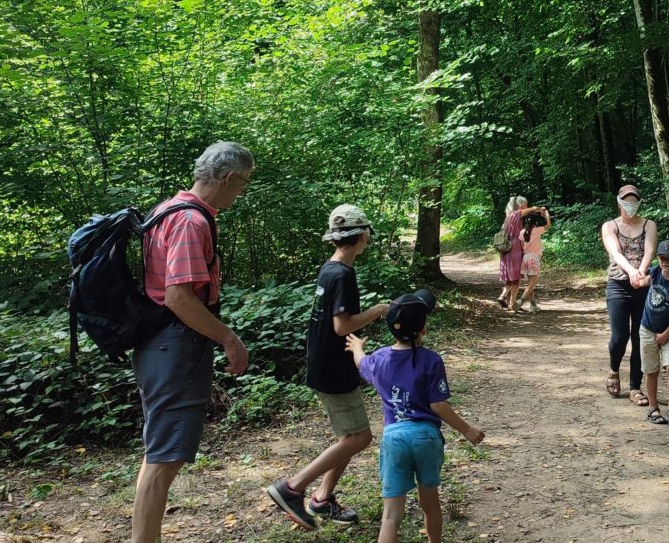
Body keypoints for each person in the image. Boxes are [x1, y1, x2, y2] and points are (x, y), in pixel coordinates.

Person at [131, 141, 253, 543]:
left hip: (160, 345)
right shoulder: (191, 222)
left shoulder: (167, 209)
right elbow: (179, 297)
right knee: (165, 458)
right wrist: (229, 339)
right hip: (175, 346)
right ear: (229, 177)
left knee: (159, 454)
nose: (242, 192)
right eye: (243, 183)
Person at [267, 205, 389, 529]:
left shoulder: (329, 268)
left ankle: (322, 499)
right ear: (363, 237)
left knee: (349, 436)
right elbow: (341, 325)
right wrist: (379, 310)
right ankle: (292, 488)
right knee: (360, 437)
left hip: (324, 362)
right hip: (333, 367)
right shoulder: (344, 275)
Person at [346, 290, 486, 543]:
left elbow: (361, 362)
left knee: (390, 515)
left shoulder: (378, 360)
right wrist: (467, 429)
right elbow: (438, 405)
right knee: (430, 502)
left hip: (394, 439)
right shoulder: (431, 360)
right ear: (423, 329)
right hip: (426, 438)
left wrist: (356, 347)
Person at [599, 184, 657, 406]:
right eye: (626, 202)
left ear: (639, 203)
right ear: (619, 202)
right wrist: (631, 271)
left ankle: (635, 387)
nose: (629, 206)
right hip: (618, 285)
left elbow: (650, 249)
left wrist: (642, 271)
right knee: (619, 336)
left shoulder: (649, 224)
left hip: (644, 286)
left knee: (640, 337)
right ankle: (613, 370)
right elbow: (615, 252)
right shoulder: (610, 226)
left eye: (634, 202)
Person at [640, 239, 669, 430]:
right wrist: (638, 280)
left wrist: (666, 334)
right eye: (661, 258)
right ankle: (653, 409)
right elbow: (644, 280)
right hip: (647, 329)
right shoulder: (655, 272)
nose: (664, 262)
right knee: (651, 370)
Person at [497, 196, 543, 312]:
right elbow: (532, 209)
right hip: (515, 248)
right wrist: (540, 209)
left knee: (510, 278)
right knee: (516, 278)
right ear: (522, 205)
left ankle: (510, 302)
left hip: (505, 249)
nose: (526, 207)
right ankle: (512, 303)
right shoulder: (517, 214)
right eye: (525, 205)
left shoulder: (507, 217)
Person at [518, 207, 551, 312]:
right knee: (533, 282)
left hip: (525, 258)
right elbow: (549, 225)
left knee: (530, 283)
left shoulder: (522, 232)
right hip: (534, 257)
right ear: (535, 223)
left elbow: (522, 247)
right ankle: (521, 300)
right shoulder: (537, 230)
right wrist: (546, 214)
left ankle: (533, 305)